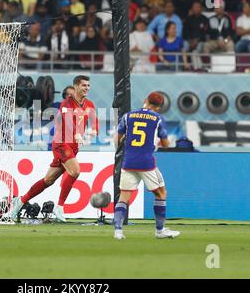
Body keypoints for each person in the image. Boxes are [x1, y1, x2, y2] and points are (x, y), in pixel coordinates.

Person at [11, 75, 98, 222]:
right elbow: (68, 121)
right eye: (84, 85)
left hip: (73, 147)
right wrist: (76, 133)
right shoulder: (66, 103)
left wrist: (94, 131)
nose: (87, 88)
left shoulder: (89, 104)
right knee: (75, 171)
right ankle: (59, 207)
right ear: (76, 86)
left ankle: (20, 201)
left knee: (48, 180)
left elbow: (94, 123)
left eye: (88, 85)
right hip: (61, 144)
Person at [113, 91, 180, 240]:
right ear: (158, 107)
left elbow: (117, 139)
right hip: (146, 163)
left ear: (145, 100)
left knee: (124, 197)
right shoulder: (157, 118)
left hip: (128, 161)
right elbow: (165, 144)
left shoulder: (128, 116)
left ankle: (118, 231)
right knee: (161, 193)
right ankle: (160, 230)